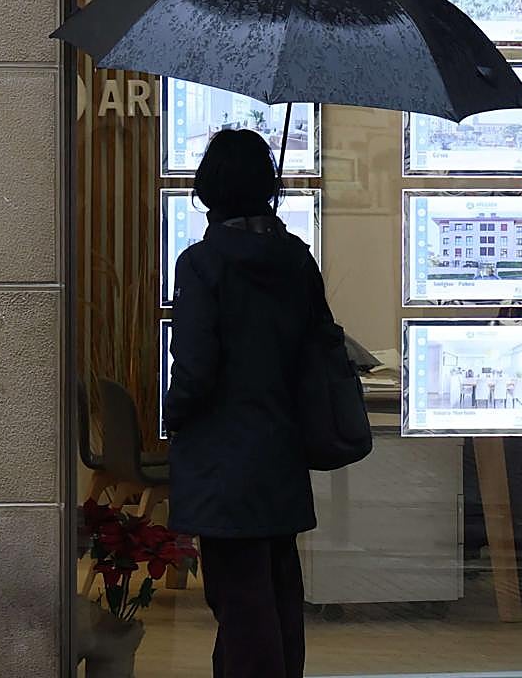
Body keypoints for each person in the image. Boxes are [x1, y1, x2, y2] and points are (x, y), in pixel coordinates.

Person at [164, 129, 334, 678]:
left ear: (209, 189)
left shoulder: (201, 265)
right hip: (282, 453)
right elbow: (317, 350)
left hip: (222, 463)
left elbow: (193, 369)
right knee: (279, 597)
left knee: (239, 605)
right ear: (268, 186)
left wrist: (173, 417)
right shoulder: (296, 261)